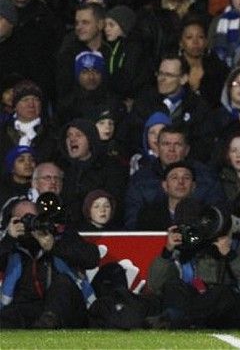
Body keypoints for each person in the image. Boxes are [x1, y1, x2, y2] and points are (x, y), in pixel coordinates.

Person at [146, 201, 240, 329]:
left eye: (195, 228)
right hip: (198, 312)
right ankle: (176, 320)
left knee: (221, 293)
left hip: (232, 312)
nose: (192, 234)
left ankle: (176, 320)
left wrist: (230, 255)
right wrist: (167, 252)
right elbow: (155, 286)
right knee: (173, 286)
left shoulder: (233, 244)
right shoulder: (182, 249)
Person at [0, 197, 100, 328]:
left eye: (35, 218)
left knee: (62, 282)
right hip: (28, 309)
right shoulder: (13, 247)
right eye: (26, 219)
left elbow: (92, 258)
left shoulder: (59, 235)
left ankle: (46, 325)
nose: (32, 223)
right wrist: (8, 239)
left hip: (65, 308)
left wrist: (54, 246)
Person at [123, 125, 225, 230]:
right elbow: (133, 224)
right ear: (157, 148)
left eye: (177, 144)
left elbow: (217, 217)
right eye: (166, 144)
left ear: (187, 150)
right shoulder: (140, 180)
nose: (171, 149)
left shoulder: (207, 177)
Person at [136, 161, 196, 231]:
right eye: (174, 178)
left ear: (193, 186)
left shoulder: (204, 213)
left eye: (186, 178)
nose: (181, 182)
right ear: (164, 185)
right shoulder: (148, 214)